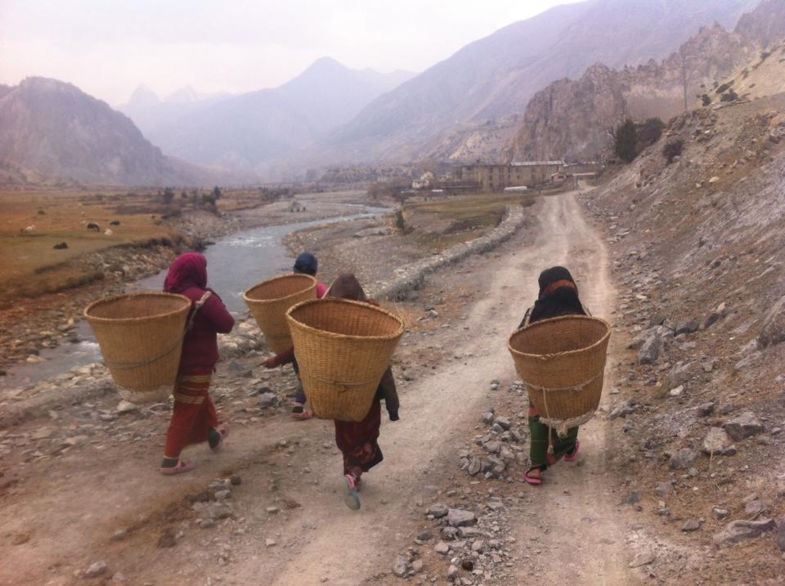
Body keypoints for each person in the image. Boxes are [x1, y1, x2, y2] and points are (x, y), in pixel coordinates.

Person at [326, 274, 399, 510]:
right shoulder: (373, 316)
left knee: (347, 434)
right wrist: (392, 403)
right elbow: (384, 362)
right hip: (368, 391)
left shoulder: (328, 319)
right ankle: (355, 473)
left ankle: (351, 472)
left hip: (340, 389)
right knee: (367, 434)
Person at [160, 253, 235, 475]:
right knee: (186, 409)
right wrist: (213, 298)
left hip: (176, 363)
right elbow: (227, 324)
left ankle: (213, 436)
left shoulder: (170, 296)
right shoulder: (201, 297)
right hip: (198, 363)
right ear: (197, 272)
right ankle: (170, 460)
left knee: (199, 399)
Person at [519, 266, 589, 486]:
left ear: (544, 289)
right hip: (572, 377)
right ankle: (567, 448)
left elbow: (519, 340)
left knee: (540, 415)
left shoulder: (534, 313)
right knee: (570, 412)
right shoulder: (581, 313)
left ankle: (536, 467)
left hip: (541, 377)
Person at [262, 252, 327, 418]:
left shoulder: (289, 293)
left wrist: (277, 359)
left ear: (294, 271)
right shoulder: (320, 290)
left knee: (303, 369)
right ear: (315, 273)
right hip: (320, 341)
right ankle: (307, 403)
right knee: (313, 371)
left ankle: (302, 403)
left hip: (300, 343)